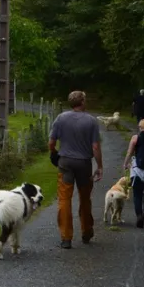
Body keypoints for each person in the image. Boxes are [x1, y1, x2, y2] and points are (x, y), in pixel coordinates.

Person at [49, 90, 104, 249]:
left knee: (64, 199)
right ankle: (86, 231)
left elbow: (51, 142)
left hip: (65, 162)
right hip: (84, 164)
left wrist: (54, 153)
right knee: (85, 198)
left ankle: (66, 237)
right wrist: (99, 166)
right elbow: (95, 147)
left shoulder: (61, 118)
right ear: (82, 102)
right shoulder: (91, 121)